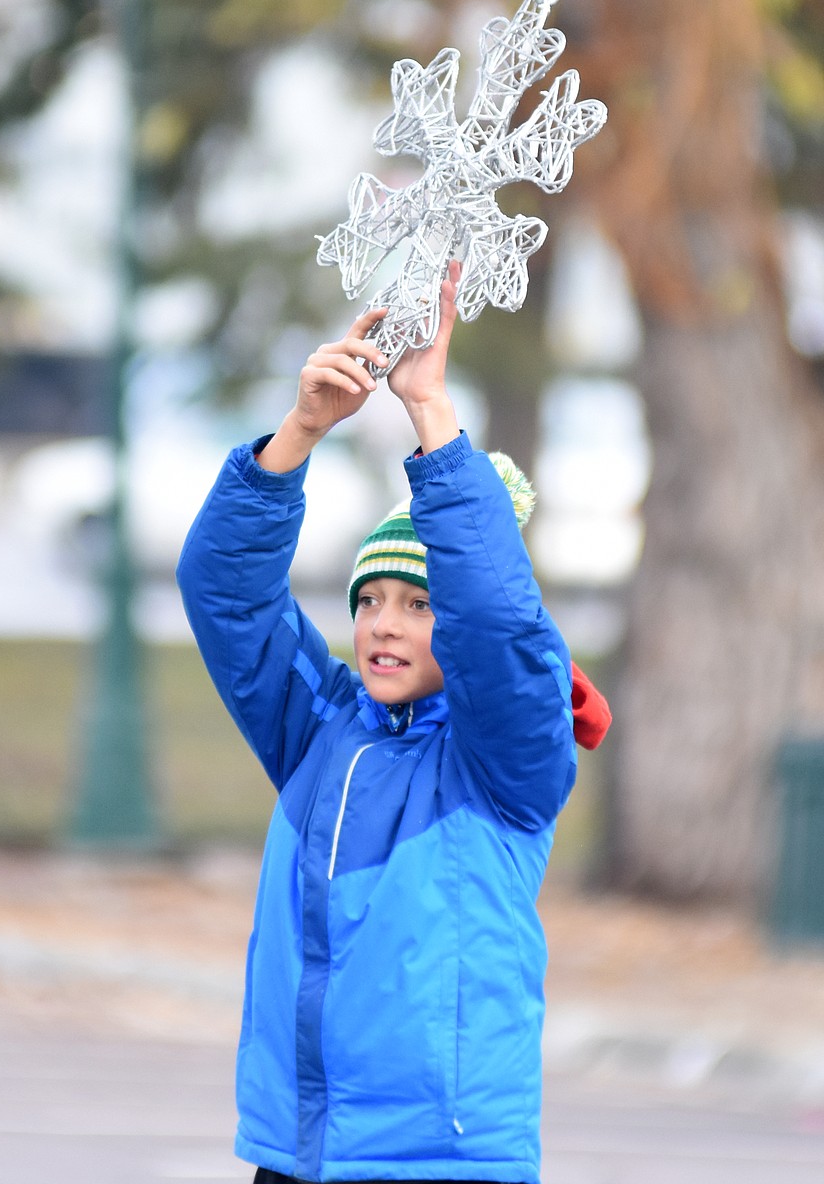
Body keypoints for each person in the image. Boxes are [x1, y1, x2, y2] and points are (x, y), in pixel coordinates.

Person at [176, 264, 601, 1184]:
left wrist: (430, 413)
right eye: (370, 601)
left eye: (417, 603)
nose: (384, 625)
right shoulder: (321, 729)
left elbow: (497, 622)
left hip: (441, 1161)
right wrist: (302, 431)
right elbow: (226, 594)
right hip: (299, 1150)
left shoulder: (509, 760)